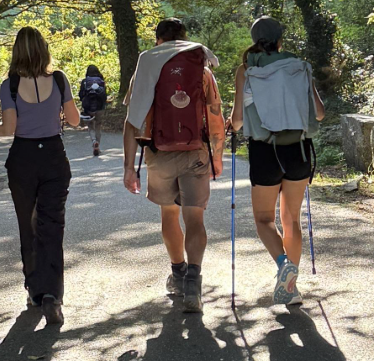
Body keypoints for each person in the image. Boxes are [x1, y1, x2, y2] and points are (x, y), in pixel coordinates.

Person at [0, 26, 80, 325]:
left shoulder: (11, 85)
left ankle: (35, 291)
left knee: (28, 225)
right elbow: (74, 120)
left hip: (23, 159)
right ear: (44, 49)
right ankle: (53, 296)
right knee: (52, 226)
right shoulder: (59, 79)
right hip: (54, 156)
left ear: (16, 52)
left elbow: (8, 129)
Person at [123, 17, 226, 313]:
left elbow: (132, 120)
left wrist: (129, 167)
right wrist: (217, 156)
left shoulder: (147, 66)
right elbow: (215, 115)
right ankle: (194, 281)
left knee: (169, 215)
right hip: (196, 152)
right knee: (195, 219)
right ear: (184, 38)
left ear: (158, 39)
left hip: (160, 154)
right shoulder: (201, 68)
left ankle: (178, 274)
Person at [226, 16, 325, 307]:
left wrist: (230, 123)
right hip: (299, 150)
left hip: (265, 151)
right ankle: (291, 289)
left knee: (263, 219)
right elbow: (319, 113)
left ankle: (284, 265)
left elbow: (237, 121)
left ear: (254, 39)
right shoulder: (300, 66)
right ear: (281, 39)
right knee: (291, 219)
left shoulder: (247, 69)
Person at [78, 64, 108, 156]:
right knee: (98, 125)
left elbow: (81, 95)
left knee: (90, 126)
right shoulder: (101, 81)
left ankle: (94, 141)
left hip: (89, 108)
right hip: (100, 107)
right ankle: (98, 144)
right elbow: (104, 95)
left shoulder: (85, 82)